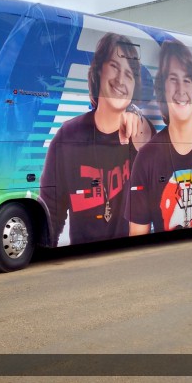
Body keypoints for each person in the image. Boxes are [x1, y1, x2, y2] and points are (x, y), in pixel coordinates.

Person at [40, 32, 155, 246]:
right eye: (114, 66)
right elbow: (51, 214)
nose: (121, 80)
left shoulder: (140, 135)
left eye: (129, 75)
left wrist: (137, 115)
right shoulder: (68, 137)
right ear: (98, 70)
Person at [125, 40, 192, 235]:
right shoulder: (146, 157)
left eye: (187, 80)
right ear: (162, 90)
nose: (181, 90)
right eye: (173, 79)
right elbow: (137, 235)